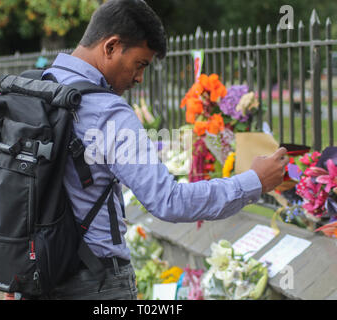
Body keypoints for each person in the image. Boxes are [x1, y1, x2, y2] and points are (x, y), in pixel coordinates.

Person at [21, 0, 288, 300]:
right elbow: (169, 202)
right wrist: (254, 181)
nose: (139, 78)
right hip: (93, 281)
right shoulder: (108, 112)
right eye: (140, 64)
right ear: (110, 47)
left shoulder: (34, 89)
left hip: (32, 273)